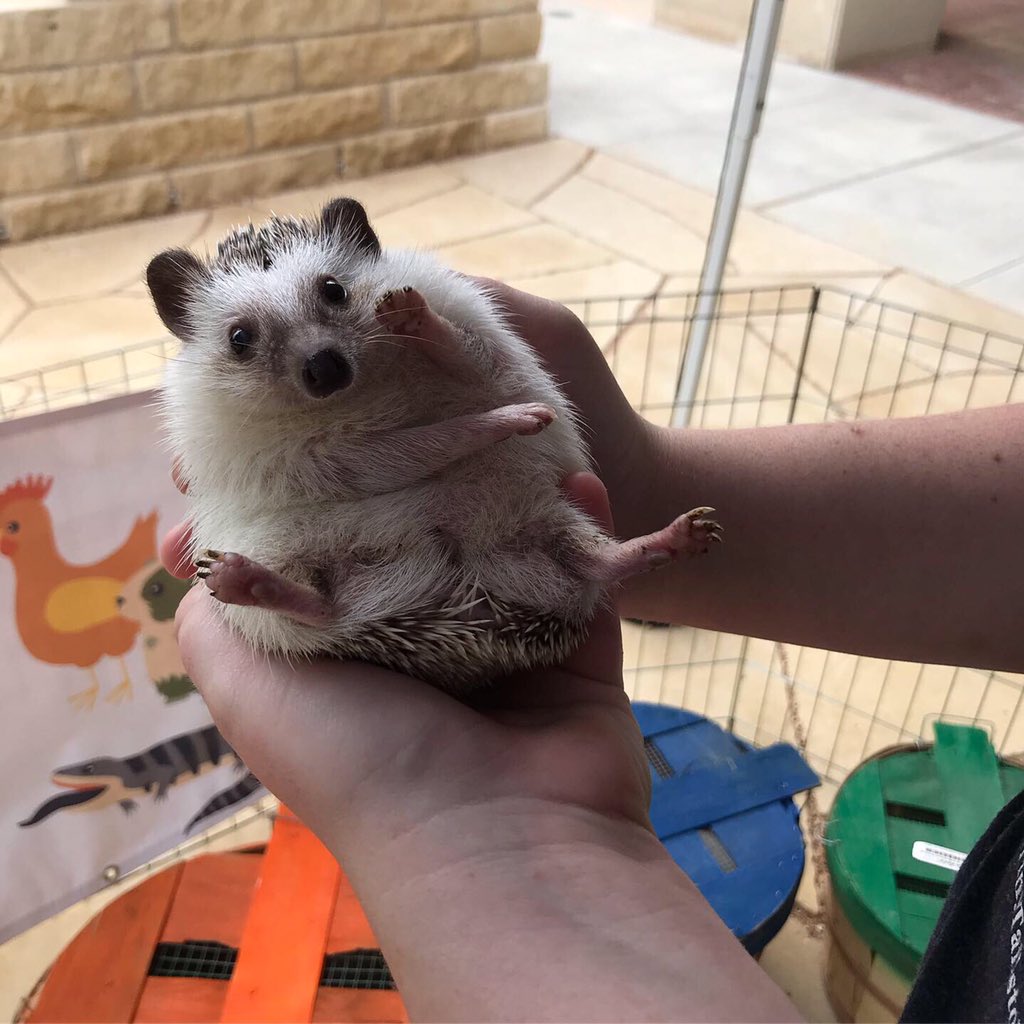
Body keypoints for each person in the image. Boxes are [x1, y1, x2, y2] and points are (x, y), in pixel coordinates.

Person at [163, 280, 1024, 1023]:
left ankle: (600, 559)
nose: (315, 350)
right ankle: (587, 559)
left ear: (357, 262)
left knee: (531, 558)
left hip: (440, 549)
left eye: (330, 297)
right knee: (491, 564)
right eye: (244, 340)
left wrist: (444, 832)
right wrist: (619, 465)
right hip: (413, 552)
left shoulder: (409, 320)